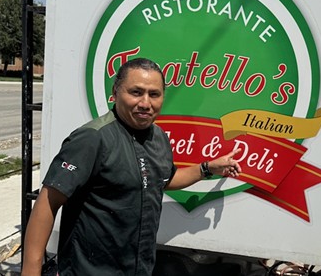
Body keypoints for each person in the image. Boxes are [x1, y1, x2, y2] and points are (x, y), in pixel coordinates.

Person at [22, 57, 241, 276]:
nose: (145, 103)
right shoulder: (92, 138)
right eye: (136, 92)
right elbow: (48, 202)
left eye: (154, 94)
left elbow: (163, 179)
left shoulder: (159, 138)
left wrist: (207, 168)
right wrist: (31, 270)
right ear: (115, 92)